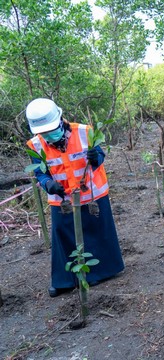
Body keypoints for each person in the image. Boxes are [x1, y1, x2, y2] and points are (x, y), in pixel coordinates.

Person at [25, 98, 124, 297]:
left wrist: (96, 157)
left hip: (92, 194)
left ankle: (100, 273)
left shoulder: (85, 131)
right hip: (62, 200)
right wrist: (48, 184)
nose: (48, 135)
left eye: (51, 129)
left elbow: (100, 156)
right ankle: (65, 280)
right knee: (63, 235)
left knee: (97, 232)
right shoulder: (34, 144)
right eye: (43, 132)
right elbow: (40, 173)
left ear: (60, 119)